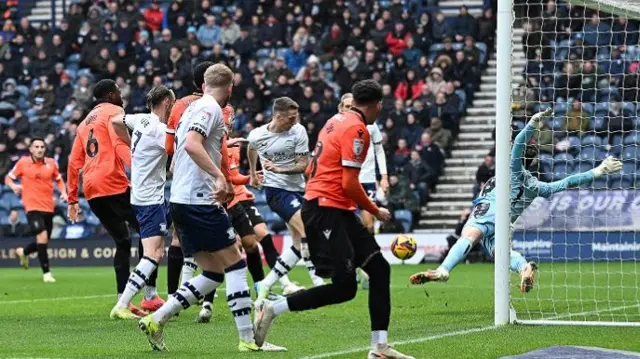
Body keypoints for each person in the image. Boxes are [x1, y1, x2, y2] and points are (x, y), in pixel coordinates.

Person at [253, 80, 415, 359]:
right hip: (324, 209)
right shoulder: (357, 128)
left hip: (333, 207)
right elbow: (350, 183)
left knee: (379, 268)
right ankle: (272, 308)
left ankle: (379, 347)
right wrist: (375, 210)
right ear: (377, 105)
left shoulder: (335, 120)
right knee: (344, 287)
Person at [137, 64, 284, 353]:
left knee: (213, 273)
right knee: (236, 264)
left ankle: (158, 318)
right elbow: (192, 145)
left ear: (203, 84)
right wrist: (218, 177)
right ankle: (248, 340)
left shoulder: (191, 108)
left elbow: (180, 153)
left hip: (182, 198)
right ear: (230, 88)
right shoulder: (211, 109)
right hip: (199, 200)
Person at [409, 109, 623, 293]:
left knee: (469, 235)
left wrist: (531, 124)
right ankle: (523, 268)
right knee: (501, 254)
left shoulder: (512, 170)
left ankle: (443, 270)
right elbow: (566, 182)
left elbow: (519, 142)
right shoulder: (536, 186)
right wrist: (597, 171)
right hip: (504, 223)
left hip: (489, 212)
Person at [67, 79, 159, 316]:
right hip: (113, 182)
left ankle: (123, 301)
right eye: (118, 91)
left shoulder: (82, 125)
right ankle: (150, 294)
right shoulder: (115, 112)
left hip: (91, 189)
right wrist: (139, 168)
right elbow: (119, 144)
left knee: (122, 241)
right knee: (150, 232)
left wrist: (72, 200)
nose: (121, 95)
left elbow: (73, 163)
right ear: (109, 94)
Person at [195, 105, 294, 325]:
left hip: (237, 200)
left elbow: (233, 174)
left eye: (231, 118)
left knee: (252, 243)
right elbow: (223, 175)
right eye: (227, 117)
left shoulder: (234, 144)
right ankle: (206, 303)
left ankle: (262, 292)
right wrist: (247, 178)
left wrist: (250, 176)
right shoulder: (208, 141)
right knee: (224, 254)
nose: (230, 121)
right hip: (218, 203)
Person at [247, 96, 325, 301]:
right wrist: (254, 173)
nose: (294, 121)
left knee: (298, 244)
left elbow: (303, 165)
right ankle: (317, 279)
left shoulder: (298, 131)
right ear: (278, 116)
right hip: (276, 192)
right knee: (308, 228)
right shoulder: (257, 134)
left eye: (295, 116)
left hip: (298, 189)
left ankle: (265, 284)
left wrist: (280, 168)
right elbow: (251, 147)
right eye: (290, 118)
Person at [109, 85, 175, 320]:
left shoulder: (140, 119)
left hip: (141, 195)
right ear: (167, 102)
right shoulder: (160, 130)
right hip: (150, 200)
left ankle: (135, 301)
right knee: (153, 255)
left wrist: (130, 147)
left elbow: (116, 121)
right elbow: (177, 152)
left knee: (157, 250)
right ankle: (123, 304)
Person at [164, 61, 213, 299]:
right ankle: (202, 300)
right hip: (207, 179)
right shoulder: (218, 106)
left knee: (177, 237)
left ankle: (175, 294)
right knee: (214, 241)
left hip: (181, 179)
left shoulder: (178, 105)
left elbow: (168, 146)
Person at [339, 92, 389, 290]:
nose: (350, 108)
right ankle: (351, 266)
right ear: (340, 107)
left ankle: (366, 266)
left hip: (366, 180)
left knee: (367, 226)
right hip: (345, 181)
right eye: (346, 105)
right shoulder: (338, 125)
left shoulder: (371, 126)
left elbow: (379, 150)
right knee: (346, 226)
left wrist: (383, 176)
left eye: (353, 104)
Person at [6, 138, 67, 282]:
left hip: (48, 207)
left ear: (45, 149)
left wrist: (63, 192)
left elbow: (58, 179)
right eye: (36, 147)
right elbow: (8, 178)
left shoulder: (51, 163)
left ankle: (23, 252)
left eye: (42, 147)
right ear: (31, 149)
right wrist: (14, 186)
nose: (39, 149)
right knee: (42, 237)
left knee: (43, 241)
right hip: (32, 207)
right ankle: (46, 274)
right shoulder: (23, 162)